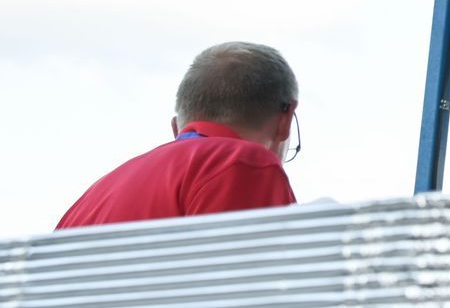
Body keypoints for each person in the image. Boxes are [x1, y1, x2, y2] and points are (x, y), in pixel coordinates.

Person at [58, 42, 300, 228]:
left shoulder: (93, 197)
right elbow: (251, 287)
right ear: (285, 120)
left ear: (178, 128)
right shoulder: (243, 163)